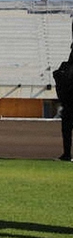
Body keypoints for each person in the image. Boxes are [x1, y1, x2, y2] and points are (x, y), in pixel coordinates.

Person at [53, 28, 73, 161]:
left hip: (69, 104)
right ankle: (66, 155)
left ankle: (66, 154)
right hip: (69, 103)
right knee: (66, 130)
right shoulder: (67, 68)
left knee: (66, 130)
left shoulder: (66, 69)